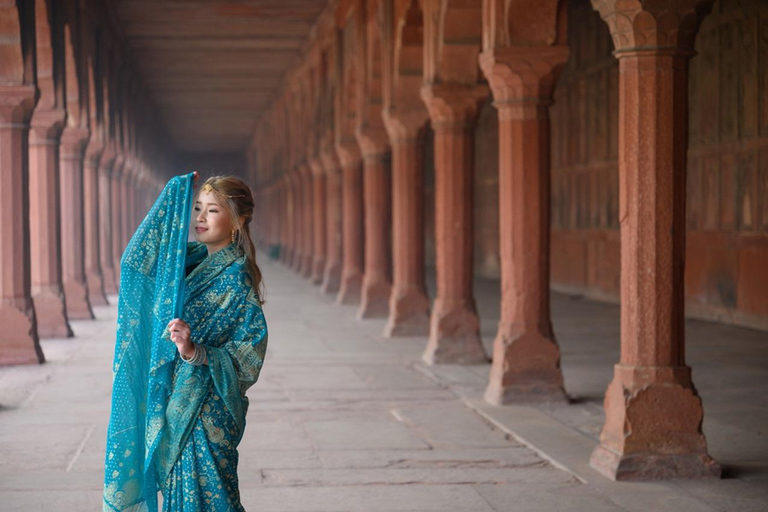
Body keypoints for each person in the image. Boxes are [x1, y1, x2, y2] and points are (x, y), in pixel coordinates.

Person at [103, 172, 268, 512]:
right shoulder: (188, 261)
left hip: (206, 412)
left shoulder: (236, 278)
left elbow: (249, 354)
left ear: (237, 221)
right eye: (197, 208)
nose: (200, 218)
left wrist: (194, 352)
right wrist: (173, 194)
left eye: (213, 210)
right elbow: (135, 263)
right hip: (177, 400)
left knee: (214, 500)